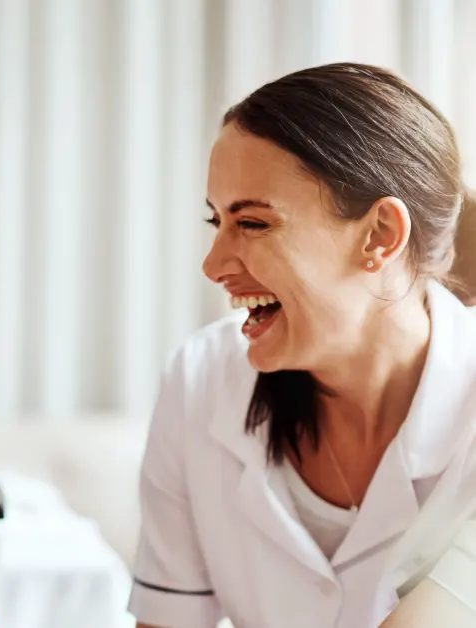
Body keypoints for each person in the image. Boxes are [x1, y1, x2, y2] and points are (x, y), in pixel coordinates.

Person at [128, 63, 476, 628]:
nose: (213, 265)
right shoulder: (201, 379)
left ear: (380, 235)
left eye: (254, 224)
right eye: (216, 221)